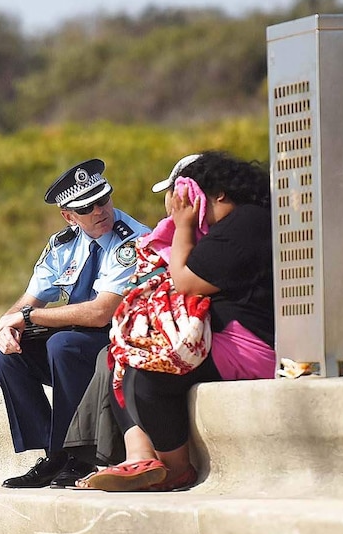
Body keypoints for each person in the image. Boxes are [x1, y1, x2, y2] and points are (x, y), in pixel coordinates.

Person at [75, 151, 276, 492]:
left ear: (218, 194)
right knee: (125, 355)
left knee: (149, 371)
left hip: (250, 345)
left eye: (190, 199)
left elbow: (184, 280)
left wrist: (183, 225)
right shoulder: (234, 226)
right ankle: (141, 458)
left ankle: (176, 467)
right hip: (231, 338)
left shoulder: (246, 223)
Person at [0, 158, 150, 489]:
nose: (99, 210)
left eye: (103, 199)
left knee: (63, 345)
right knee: (8, 357)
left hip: (122, 343)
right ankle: (55, 455)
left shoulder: (131, 240)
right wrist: (8, 325)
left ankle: (81, 456)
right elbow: (29, 299)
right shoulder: (64, 244)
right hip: (80, 346)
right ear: (69, 216)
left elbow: (101, 312)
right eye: (86, 207)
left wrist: (28, 317)